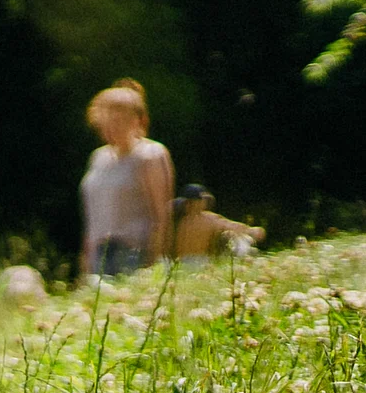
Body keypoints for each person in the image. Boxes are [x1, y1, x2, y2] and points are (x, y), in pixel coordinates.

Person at [79, 79, 174, 280]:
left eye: (118, 120)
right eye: (106, 121)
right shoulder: (98, 158)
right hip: (99, 255)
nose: (112, 127)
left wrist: (154, 265)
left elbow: (161, 216)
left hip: (133, 254)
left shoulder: (150, 155)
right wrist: (85, 263)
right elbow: (93, 218)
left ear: (137, 120)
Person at [170, 184, 264, 266]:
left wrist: (249, 230)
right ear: (196, 202)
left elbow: (228, 225)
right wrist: (251, 230)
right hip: (194, 264)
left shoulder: (180, 219)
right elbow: (229, 225)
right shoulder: (206, 219)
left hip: (184, 264)